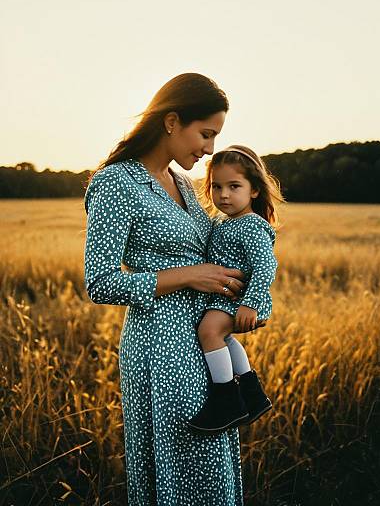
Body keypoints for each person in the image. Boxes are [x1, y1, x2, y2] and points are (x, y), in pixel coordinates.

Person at [84, 73, 253, 505]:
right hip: (161, 347)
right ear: (173, 121)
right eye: (206, 133)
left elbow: (212, 246)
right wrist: (189, 276)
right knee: (185, 464)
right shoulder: (115, 183)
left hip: (204, 343)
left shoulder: (181, 183)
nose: (211, 148)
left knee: (211, 463)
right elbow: (100, 281)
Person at [186, 145, 283, 434]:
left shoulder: (251, 225)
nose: (224, 194)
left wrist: (250, 304)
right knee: (223, 338)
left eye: (234, 186)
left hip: (242, 300)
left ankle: (225, 398)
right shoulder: (223, 221)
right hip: (227, 299)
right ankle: (252, 393)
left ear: (253, 190)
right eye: (216, 186)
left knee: (209, 332)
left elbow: (266, 267)